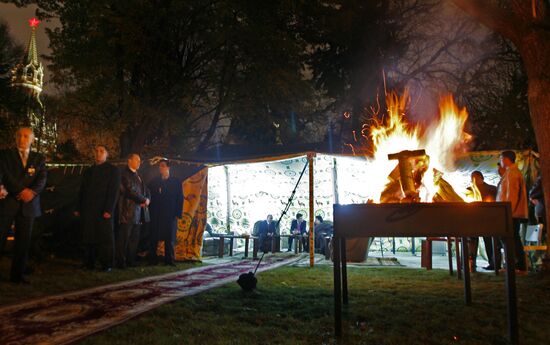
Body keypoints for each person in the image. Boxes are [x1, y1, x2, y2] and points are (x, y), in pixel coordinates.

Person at [0, 127, 47, 283]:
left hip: (29, 204)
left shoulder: (39, 158)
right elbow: (6, 175)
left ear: (32, 139)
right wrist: (21, 191)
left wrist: (32, 193)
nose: (22, 138)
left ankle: (17, 275)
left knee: (23, 242)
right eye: (19, 135)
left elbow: (42, 179)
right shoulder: (5, 155)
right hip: (8, 203)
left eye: (26, 136)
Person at [75, 145, 120, 272]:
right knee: (89, 237)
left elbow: (114, 192)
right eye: (96, 151)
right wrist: (78, 207)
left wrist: (109, 210)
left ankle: (107, 264)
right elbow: (82, 190)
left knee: (105, 238)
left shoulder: (113, 170)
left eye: (101, 151)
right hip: (89, 209)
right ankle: (89, 262)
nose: (98, 153)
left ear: (107, 154)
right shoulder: (88, 171)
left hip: (104, 210)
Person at [497, 150, 528, 272]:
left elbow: (512, 195)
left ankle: (518, 265)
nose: (500, 162)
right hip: (510, 211)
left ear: (505, 159)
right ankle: (515, 264)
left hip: (511, 212)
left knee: (511, 238)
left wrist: (507, 212)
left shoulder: (513, 173)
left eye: (500, 159)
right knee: (512, 238)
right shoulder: (510, 172)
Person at [116, 153, 150, 268]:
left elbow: (145, 190)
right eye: (137, 160)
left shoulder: (138, 175)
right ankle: (121, 262)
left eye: (140, 160)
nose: (139, 162)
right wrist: (143, 199)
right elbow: (130, 191)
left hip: (137, 213)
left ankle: (131, 261)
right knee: (124, 239)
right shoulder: (124, 174)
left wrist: (147, 199)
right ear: (129, 161)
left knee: (134, 239)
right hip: (127, 212)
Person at [147, 159, 183, 266]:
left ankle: (169, 260)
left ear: (168, 167)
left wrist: (178, 214)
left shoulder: (176, 182)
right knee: (154, 237)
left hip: (170, 214)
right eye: (159, 166)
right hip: (156, 214)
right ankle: (152, 260)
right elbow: (148, 195)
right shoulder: (154, 182)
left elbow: (180, 198)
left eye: (163, 166)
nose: (160, 168)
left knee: (169, 238)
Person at [467, 171, 500, 271]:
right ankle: (471, 263)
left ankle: (493, 263)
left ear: (482, 178)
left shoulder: (492, 189)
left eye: (476, 178)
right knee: (473, 241)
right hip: (474, 220)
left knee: (489, 242)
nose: (474, 180)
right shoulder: (469, 190)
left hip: (487, 219)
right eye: (473, 178)